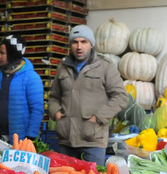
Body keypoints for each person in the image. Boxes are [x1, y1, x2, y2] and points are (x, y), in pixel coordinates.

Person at [47, 24, 127, 166]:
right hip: (66, 139)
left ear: (91, 44)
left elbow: (121, 97)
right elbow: (54, 97)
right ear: (70, 45)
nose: (79, 46)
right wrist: (56, 113)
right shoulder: (63, 67)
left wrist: (98, 117)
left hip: (93, 140)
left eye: (83, 42)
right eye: (75, 42)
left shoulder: (105, 67)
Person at [0, 34, 44, 142]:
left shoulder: (31, 77)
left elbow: (37, 110)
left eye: (2, 53)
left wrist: (30, 137)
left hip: (20, 140)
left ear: (12, 55)